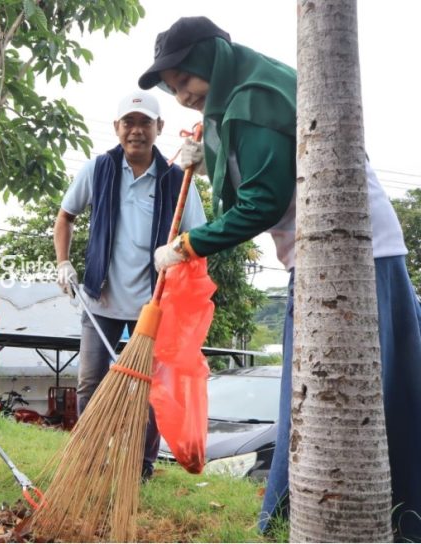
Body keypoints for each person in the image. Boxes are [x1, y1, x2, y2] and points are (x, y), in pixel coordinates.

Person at [139, 16, 421, 538]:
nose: (182, 96)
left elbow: (262, 202)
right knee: (384, 392)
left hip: (348, 258)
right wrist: (209, 154)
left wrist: (186, 245)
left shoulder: (252, 98)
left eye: (185, 80)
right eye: (173, 88)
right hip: (358, 250)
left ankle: (294, 522)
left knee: (320, 402)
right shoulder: (246, 88)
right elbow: (260, 168)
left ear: (211, 60)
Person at [53, 90, 206, 481]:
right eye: (129, 123)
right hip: (100, 298)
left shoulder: (178, 179)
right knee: (90, 382)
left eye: (144, 123)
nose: (136, 131)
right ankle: (88, 457)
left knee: (151, 389)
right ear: (117, 127)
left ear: (159, 128)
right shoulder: (99, 169)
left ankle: (141, 465)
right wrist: (63, 263)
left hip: (153, 305)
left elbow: (199, 236)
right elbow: (65, 216)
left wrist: (179, 255)